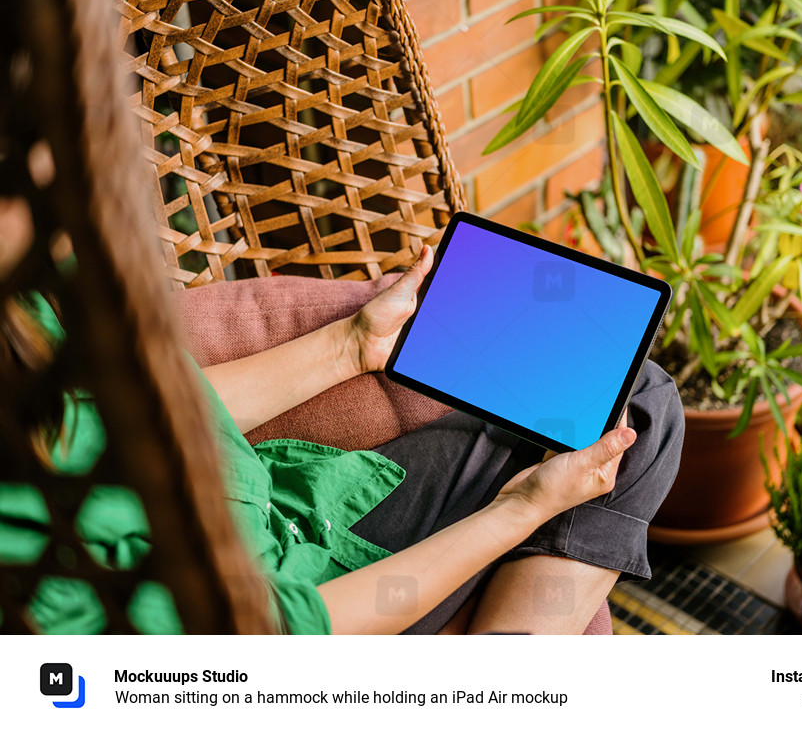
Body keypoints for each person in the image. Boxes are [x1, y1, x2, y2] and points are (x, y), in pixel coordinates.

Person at [0, 191, 684, 634]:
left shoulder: (19, 316)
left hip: (292, 511)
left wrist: (353, 346)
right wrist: (521, 510)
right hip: (316, 598)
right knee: (641, 417)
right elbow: (290, 635)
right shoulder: (37, 573)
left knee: (623, 396)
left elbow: (142, 421)